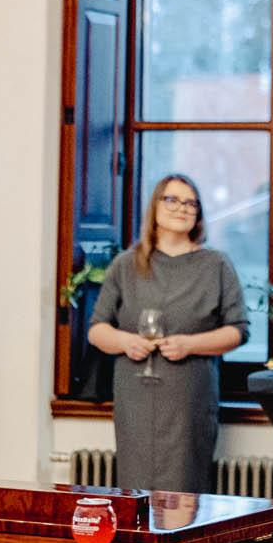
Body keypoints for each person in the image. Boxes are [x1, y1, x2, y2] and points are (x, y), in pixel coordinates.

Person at [88, 172, 247, 493]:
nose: (181, 208)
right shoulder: (125, 264)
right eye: (172, 199)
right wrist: (124, 341)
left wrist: (190, 344)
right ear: (155, 206)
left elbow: (238, 330)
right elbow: (97, 330)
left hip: (189, 397)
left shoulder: (216, 264)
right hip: (135, 398)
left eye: (191, 203)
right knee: (135, 491)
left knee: (185, 493)